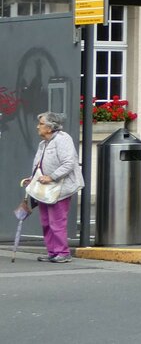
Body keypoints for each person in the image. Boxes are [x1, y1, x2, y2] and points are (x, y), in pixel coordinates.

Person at [20, 111, 83, 263]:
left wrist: (51, 176)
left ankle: (63, 252)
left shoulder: (62, 139)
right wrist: (33, 178)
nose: (37, 127)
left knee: (57, 221)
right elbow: (40, 166)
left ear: (50, 127)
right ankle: (53, 252)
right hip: (45, 189)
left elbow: (69, 163)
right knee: (46, 222)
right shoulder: (43, 143)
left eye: (41, 124)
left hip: (60, 187)